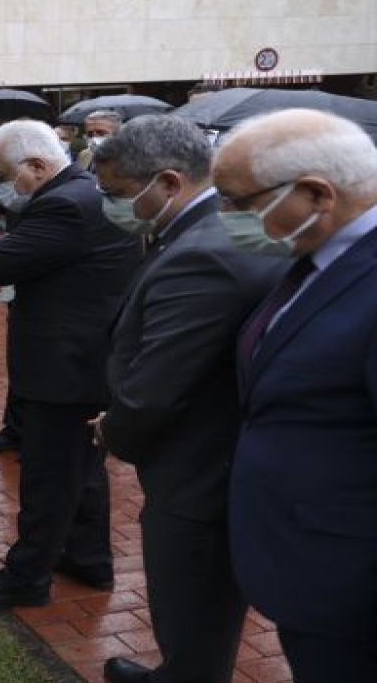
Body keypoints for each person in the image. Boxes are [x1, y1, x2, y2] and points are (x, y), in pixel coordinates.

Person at [89, 115, 286, 683]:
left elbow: (156, 386)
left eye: (119, 195)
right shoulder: (225, 228)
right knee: (197, 610)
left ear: (169, 182)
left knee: (191, 606)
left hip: (197, 469)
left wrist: (114, 430)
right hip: (217, 455)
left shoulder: (201, 253)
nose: (111, 206)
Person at [212, 109, 377, 682]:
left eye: (237, 201)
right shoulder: (317, 258)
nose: (226, 218)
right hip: (308, 567)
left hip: (351, 597)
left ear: (314, 194)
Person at [0, 120, 139, 608]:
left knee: (48, 478)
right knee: (84, 471)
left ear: (35, 166)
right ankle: (88, 559)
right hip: (88, 361)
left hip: (63, 367)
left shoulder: (62, 205)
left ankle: (25, 578)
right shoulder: (91, 193)